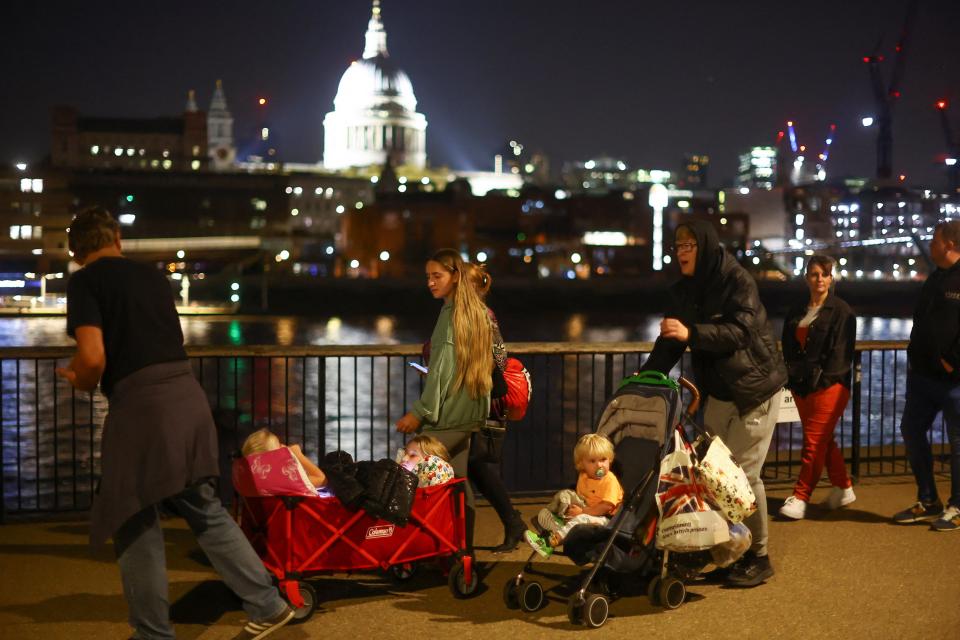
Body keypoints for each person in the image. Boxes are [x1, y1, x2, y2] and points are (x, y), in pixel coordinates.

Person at [55, 207, 294, 640]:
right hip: (187, 397)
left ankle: (152, 633)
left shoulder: (86, 282)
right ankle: (268, 603)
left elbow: (92, 357)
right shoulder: (152, 277)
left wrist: (79, 378)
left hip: (143, 408)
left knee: (132, 517)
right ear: (118, 241)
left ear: (76, 251)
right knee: (204, 508)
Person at [642, 219, 787, 588]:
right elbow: (672, 342)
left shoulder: (736, 280)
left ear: (705, 246)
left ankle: (760, 556)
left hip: (754, 390)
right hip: (720, 392)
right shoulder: (687, 290)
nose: (682, 252)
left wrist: (693, 333)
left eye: (689, 245)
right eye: (678, 246)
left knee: (742, 477)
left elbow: (742, 331)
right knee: (712, 476)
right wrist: (643, 380)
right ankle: (731, 551)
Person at [395, 249, 492, 550]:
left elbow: (442, 369)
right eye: (428, 277)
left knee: (409, 467)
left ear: (455, 276)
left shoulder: (451, 314)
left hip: (448, 413)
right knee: (458, 483)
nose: (431, 282)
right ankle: (462, 552)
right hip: (470, 410)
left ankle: (411, 546)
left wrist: (419, 412)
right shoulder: (475, 310)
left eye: (437, 276)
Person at [892, 220, 960, 531]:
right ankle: (928, 499)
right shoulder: (935, 278)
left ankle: (957, 506)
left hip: (953, 380)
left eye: (935, 240)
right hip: (922, 375)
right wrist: (914, 355)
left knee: (958, 443)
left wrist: (952, 361)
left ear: (949, 244)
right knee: (911, 430)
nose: (930, 245)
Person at [778, 256, 857, 520]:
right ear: (807, 278)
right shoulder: (798, 309)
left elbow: (840, 354)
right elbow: (788, 344)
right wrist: (791, 375)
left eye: (824, 274)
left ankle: (801, 497)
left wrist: (821, 381)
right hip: (801, 385)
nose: (819, 279)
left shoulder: (841, 311)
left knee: (813, 442)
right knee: (824, 440)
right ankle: (843, 487)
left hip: (829, 387)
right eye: (814, 274)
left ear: (831, 279)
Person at [462, 262, 527, 552]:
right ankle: (512, 523)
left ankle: (509, 524)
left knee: (476, 464)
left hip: (484, 399)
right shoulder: (464, 315)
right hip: (472, 398)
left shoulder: (483, 316)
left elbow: (499, 359)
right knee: (477, 467)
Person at [524, 433, 624, 558]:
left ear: (610, 459)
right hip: (586, 510)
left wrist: (582, 511)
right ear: (582, 463)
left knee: (580, 519)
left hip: (605, 519)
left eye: (603, 459)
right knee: (561, 498)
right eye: (592, 461)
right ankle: (561, 526)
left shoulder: (609, 481)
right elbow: (580, 497)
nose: (599, 465)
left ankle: (550, 543)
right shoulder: (584, 476)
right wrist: (571, 508)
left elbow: (605, 507)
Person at [242, 428, 328, 490]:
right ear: (270, 458)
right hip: (303, 514)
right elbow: (322, 479)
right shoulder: (285, 481)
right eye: (279, 444)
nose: (283, 446)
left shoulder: (252, 482)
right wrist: (299, 455)